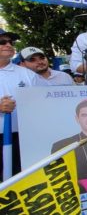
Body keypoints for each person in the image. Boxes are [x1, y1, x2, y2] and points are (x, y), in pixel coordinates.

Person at [0, 29, 45, 181]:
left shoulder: (27, 74)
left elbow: (44, 102)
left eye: (10, 42)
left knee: (19, 180)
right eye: (2, 42)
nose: (8, 45)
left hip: (22, 138)